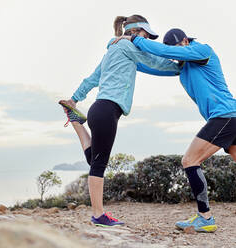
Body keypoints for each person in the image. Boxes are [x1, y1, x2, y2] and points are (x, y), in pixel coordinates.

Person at [113, 28, 236, 234]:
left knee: (189, 161)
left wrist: (132, 38)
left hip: (225, 117)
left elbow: (163, 52)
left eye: (175, 47)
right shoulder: (184, 65)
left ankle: (204, 217)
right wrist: (125, 54)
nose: (174, 53)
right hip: (231, 118)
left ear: (185, 41)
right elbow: (152, 65)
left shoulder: (202, 51)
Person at [59, 15, 180, 227]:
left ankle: (76, 121)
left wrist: (74, 99)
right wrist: (182, 67)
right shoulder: (127, 45)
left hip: (101, 110)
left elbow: (91, 79)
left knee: (94, 159)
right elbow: (154, 61)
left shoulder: (111, 51)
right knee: (98, 164)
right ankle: (98, 215)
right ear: (135, 32)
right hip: (107, 109)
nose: (147, 40)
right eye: (145, 35)